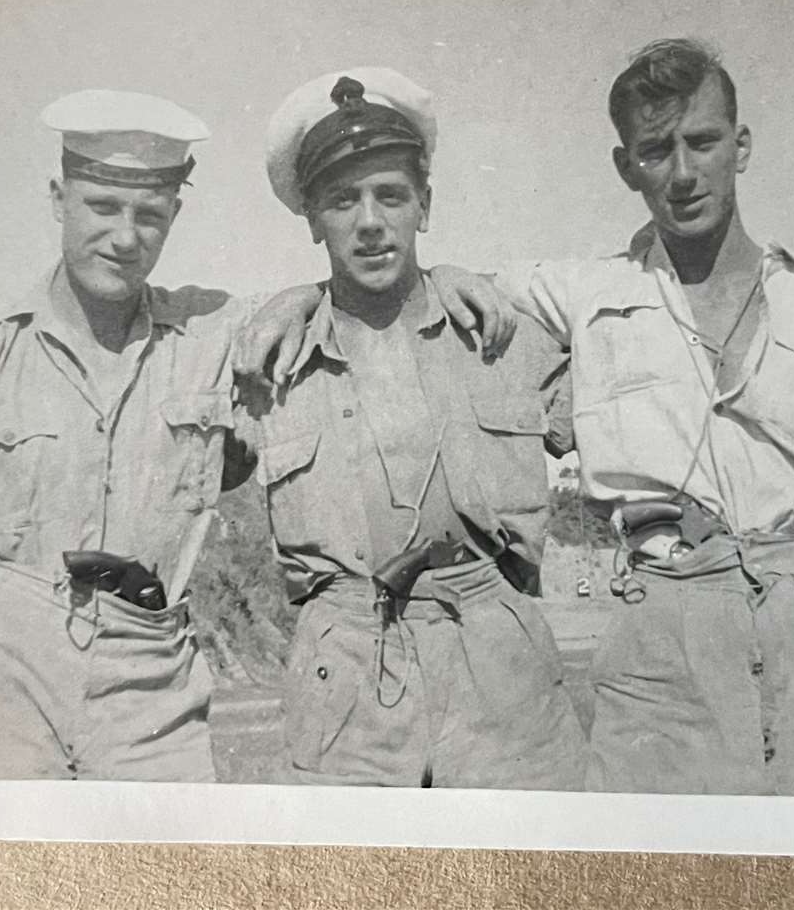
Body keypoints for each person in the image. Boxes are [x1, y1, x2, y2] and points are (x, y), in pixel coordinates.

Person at [243, 39, 794, 797]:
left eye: (703, 142)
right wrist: (294, 300)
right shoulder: (581, 295)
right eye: (657, 150)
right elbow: (397, 293)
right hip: (662, 621)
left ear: (741, 145)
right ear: (628, 167)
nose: (684, 173)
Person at [237, 67, 587, 788]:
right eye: (342, 200)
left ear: (424, 206)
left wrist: (494, 280)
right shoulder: (267, 358)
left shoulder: (500, 330)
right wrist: (295, 300)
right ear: (311, 219)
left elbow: (635, 349)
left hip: (503, 675)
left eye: (391, 195)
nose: (370, 221)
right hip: (345, 682)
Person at [0, 89, 253, 781]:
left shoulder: (211, 339)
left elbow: (329, 310)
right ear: (59, 199)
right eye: (102, 206)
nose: (125, 236)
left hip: (154, 680)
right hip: (7, 675)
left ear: (173, 217)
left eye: (150, 215)